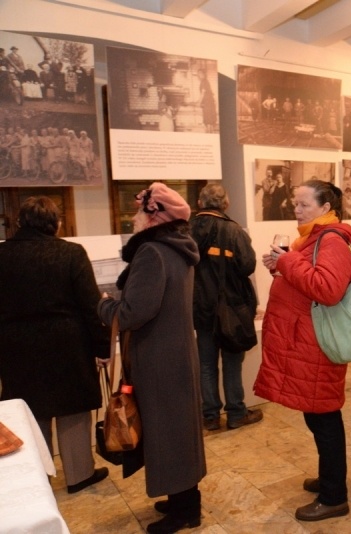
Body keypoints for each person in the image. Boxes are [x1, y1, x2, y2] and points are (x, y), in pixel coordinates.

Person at [97, 183, 206, 533]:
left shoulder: (152, 253)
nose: (133, 217)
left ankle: (184, 511)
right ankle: (184, 501)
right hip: (174, 352)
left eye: (138, 212)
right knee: (178, 431)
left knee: (167, 433)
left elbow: (133, 313)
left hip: (158, 358)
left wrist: (103, 304)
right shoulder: (177, 249)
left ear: (153, 215)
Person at [255, 180, 351, 521]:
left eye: (303, 204)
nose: (296, 210)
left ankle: (334, 496)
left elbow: (328, 290)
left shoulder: (331, 240)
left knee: (325, 419)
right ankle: (329, 479)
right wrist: (281, 268)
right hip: (308, 346)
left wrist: (287, 264)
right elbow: (307, 285)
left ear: (326, 208)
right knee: (318, 418)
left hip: (318, 347)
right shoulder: (312, 239)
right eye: (295, 203)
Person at [0, 197, 110, 494]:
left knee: (30, 414)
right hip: (67, 344)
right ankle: (79, 474)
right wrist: (102, 348)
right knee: (73, 411)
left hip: (15, 347)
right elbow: (91, 306)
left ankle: (39, 478)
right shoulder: (71, 253)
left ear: (21, 222)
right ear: (55, 222)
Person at [190, 184, 261, 432]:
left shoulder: (187, 230)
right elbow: (247, 266)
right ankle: (236, 413)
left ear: (200, 203)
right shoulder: (233, 230)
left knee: (207, 364)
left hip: (200, 308)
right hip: (230, 307)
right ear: (225, 204)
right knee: (232, 362)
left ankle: (209, 416)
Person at [196, 68, 217, 133]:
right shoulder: (205, 81)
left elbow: (203, 93)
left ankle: (209, 134)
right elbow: (205, 94)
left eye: (200, 73)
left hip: (208, 104)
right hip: (209, 103)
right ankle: (210, 133)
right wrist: (199, 101)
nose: (199, 75)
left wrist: (199, 102)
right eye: (198, 74)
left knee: (208, 121)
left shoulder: (204, 81)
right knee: (209, 122)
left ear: (203, 74)